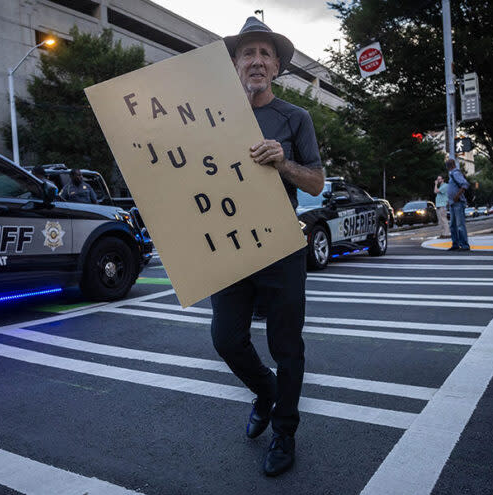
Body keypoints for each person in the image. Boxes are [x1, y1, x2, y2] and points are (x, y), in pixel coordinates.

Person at [212, 17, 324, 477]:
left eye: (265, 54)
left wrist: (284, 163)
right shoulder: (210, 115)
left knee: (286, 345)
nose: (256, 61)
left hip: (281, 244)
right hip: (227, 244)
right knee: (225, 339)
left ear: (276, 66)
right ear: (235, 64)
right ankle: (265, 391)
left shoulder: (295, 118)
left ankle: (285, 431)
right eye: (247, 53)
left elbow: (316, 182)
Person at [445, 159, 470, 251]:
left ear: (450, 166)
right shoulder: (452, 174)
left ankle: (464, 245)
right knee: (453, 225)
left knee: (460, 224)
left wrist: (457, 196)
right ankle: (455, 243)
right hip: (453, 203)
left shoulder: (455, 173)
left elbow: (465, 184)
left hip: (458, 202)